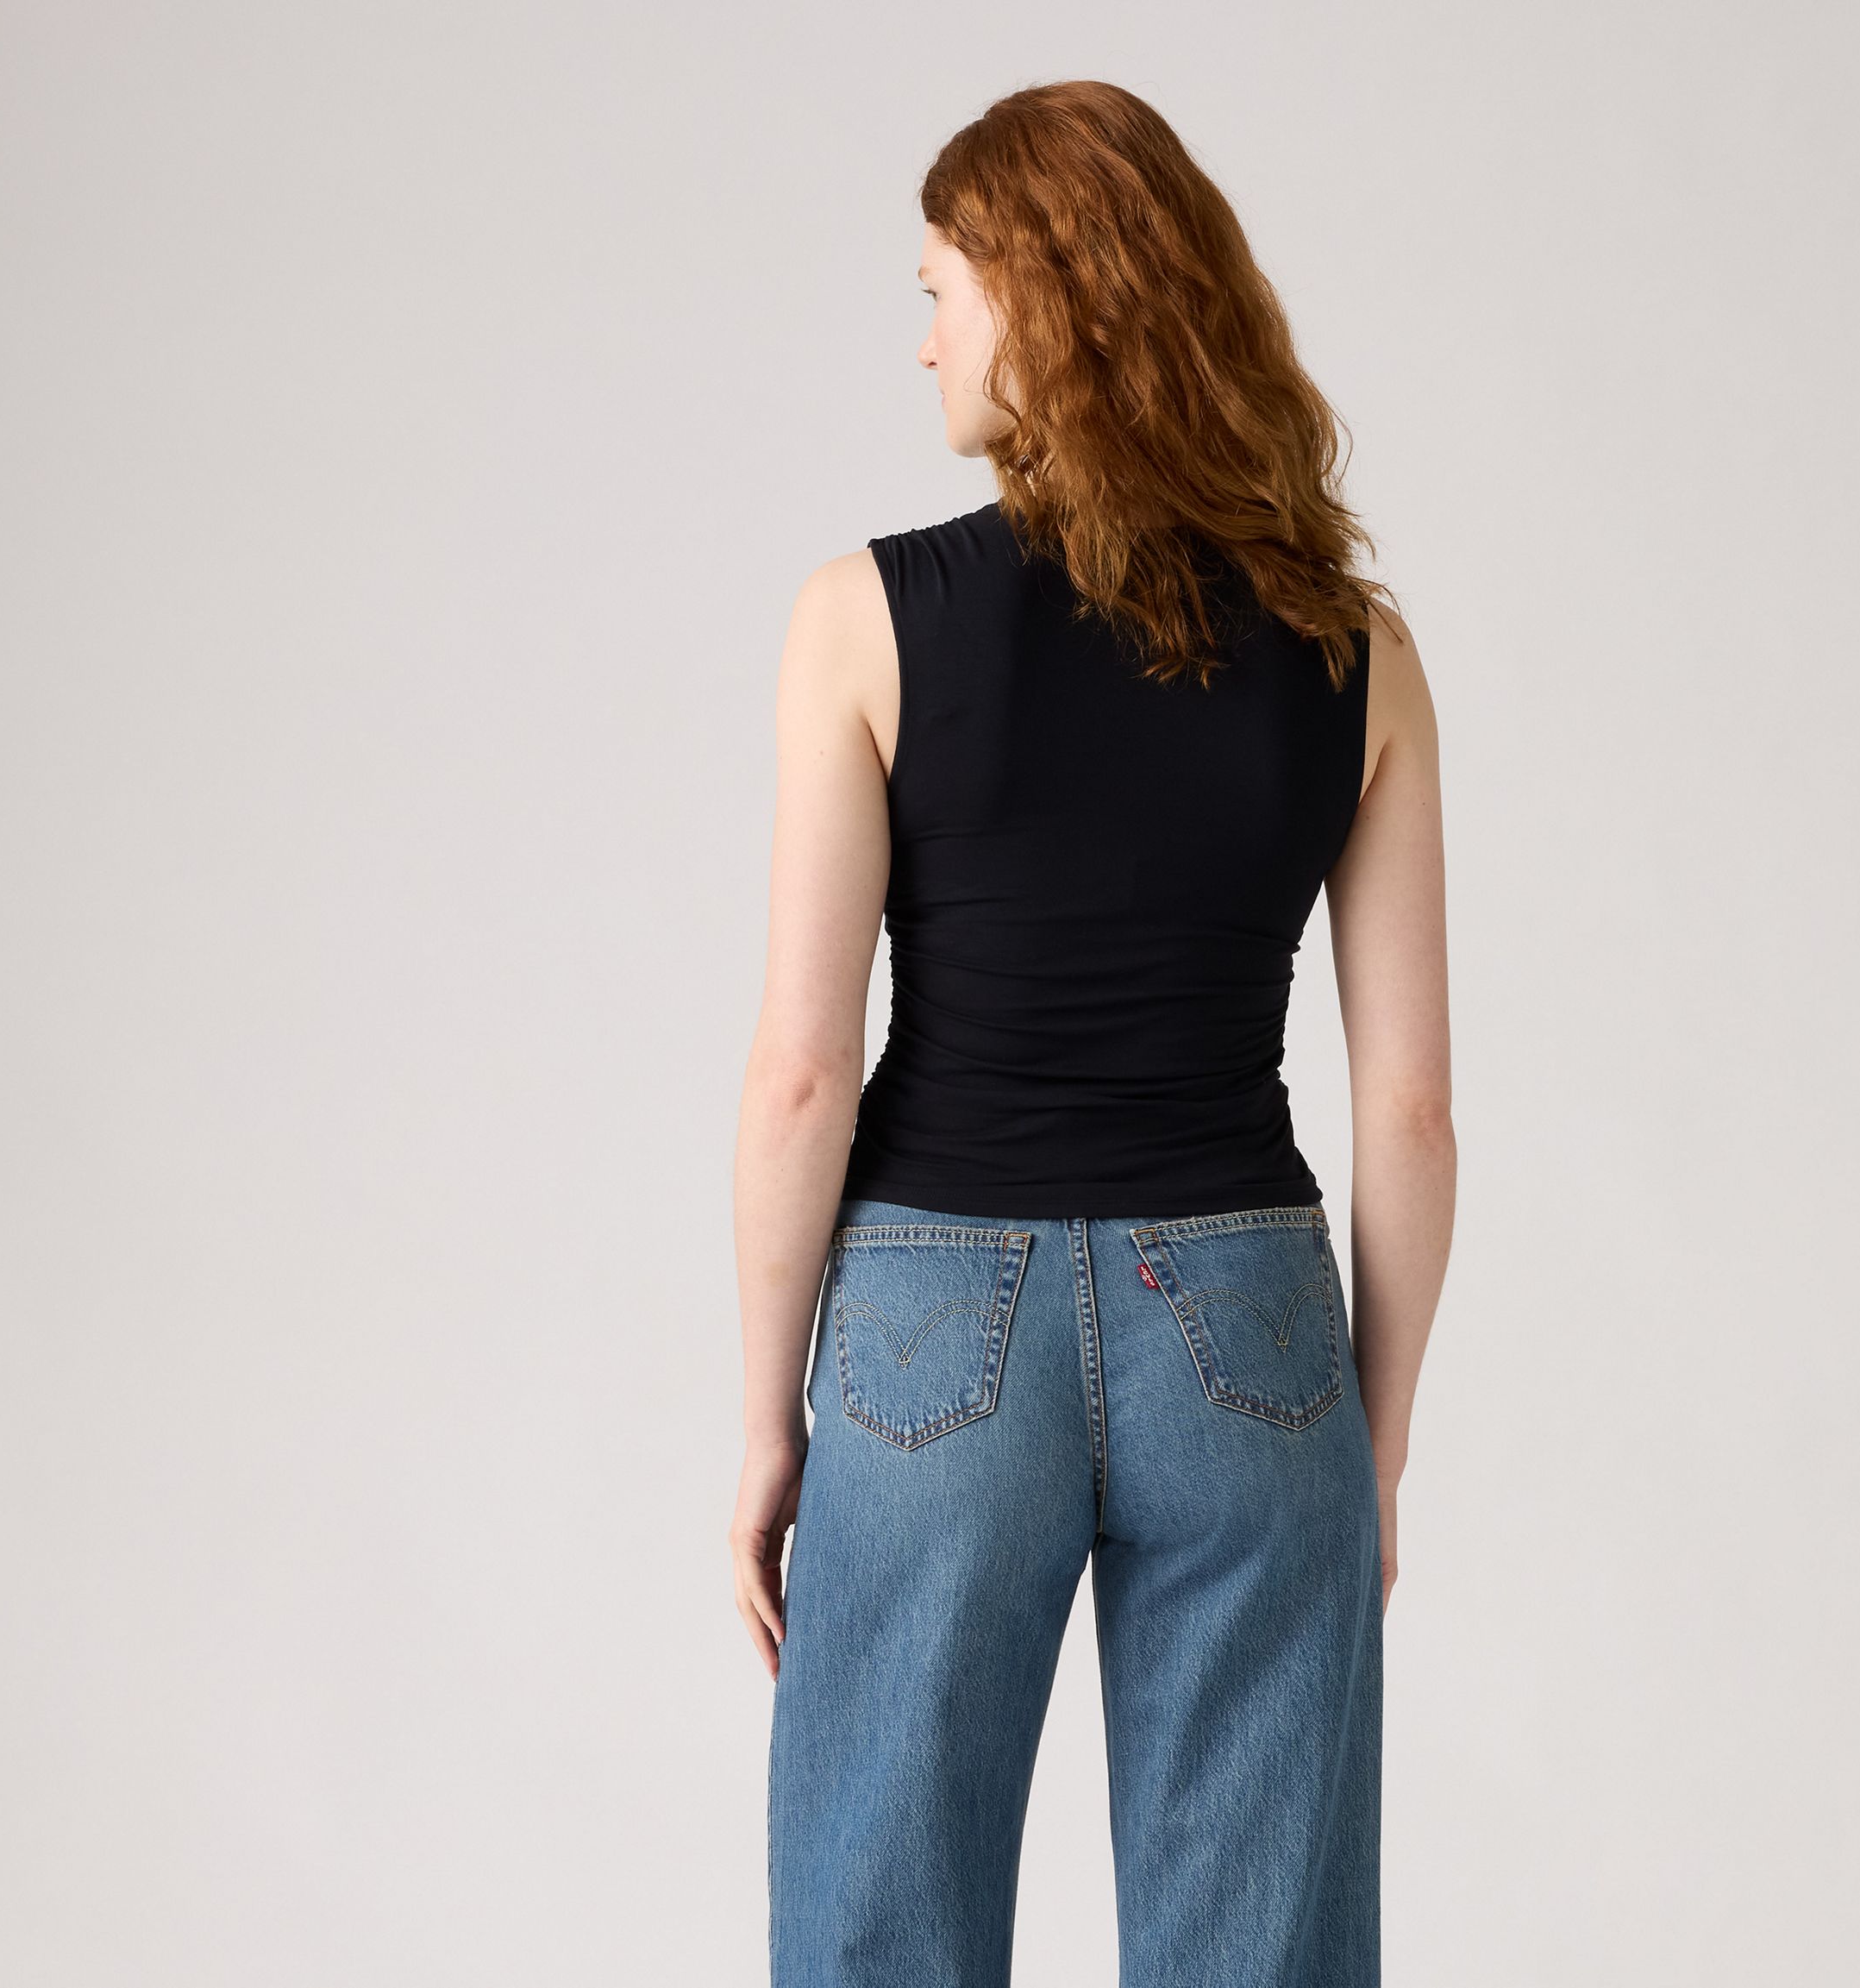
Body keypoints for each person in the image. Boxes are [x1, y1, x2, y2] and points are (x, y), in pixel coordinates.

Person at [727, 79, 1455, 1988]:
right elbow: (1411, 1112)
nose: (923, 339)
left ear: (1037, 298)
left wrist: (768, 1418)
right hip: (1252, 1328)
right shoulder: (1358, 652)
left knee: (878, 1932)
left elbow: (801, 1073)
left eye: (940, 290)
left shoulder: (862, 619)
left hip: (928, 1325)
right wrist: (1369, 1446)